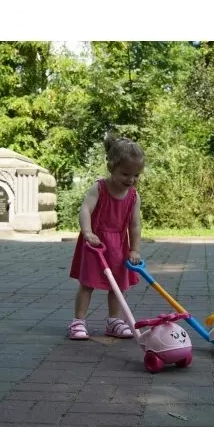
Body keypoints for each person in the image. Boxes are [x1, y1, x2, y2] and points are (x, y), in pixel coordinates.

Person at [68, 134, 144, 340]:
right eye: (125, 174)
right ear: (111, 168)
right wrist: (88, 232)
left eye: (136, 175)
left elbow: (135, 224)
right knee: (88, 283)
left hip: (119, 244)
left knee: (118, 286)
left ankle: (114, 321)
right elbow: (85, 209)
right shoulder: (99, 188)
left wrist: (134, 249)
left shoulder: (134, 196)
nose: (131, 180)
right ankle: (78, 321)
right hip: (96, 243)